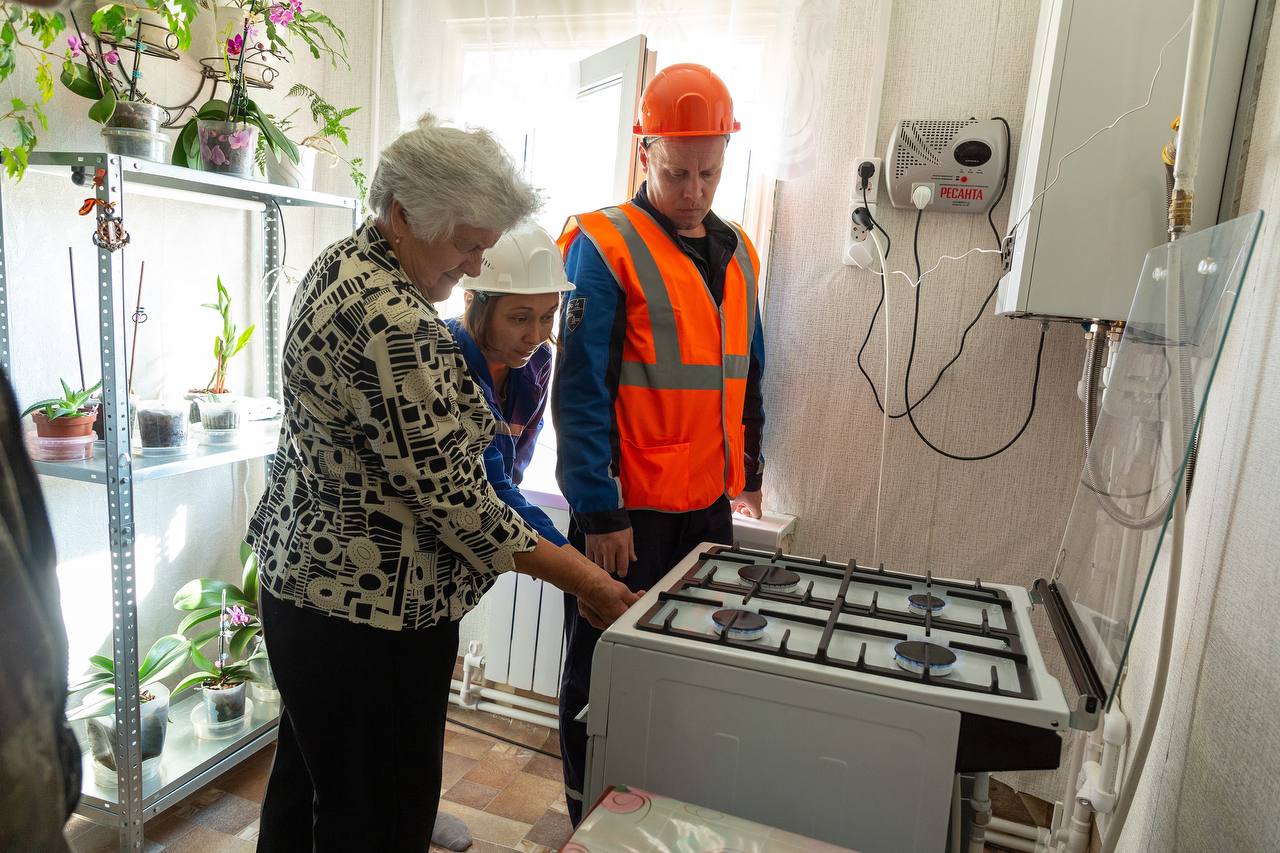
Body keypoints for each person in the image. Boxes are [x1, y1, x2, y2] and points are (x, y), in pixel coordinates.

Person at [246, 114, 640, 853]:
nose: (474, 261)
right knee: (379, 819)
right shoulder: (398, 325)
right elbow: (467, 508)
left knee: (307, 797)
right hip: (367, 619)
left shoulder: (341, 263)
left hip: (306, 591)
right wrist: (586, 580)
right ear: (402, 216)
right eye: (466, 243)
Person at [552, 63, 768, 823]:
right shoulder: (604, 243)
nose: (695, 191)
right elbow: (578, 390)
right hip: (627, 513)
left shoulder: (739, 250)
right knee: (606, 672)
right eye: (678, 172)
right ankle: (590, 815)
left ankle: (666, 809)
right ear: (645, 151)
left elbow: (749, 368)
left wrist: (753, 467)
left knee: (689, 669)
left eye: (709, 171)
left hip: (706, 508)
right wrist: (598, 510)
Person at [445, 223, 575, 548]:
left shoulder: (537, 360)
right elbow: (492, 487)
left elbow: (514, 471)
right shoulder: (442, 358)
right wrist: (581, 572)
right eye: (519, 318)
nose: (535, 336)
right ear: (471, 301)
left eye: (548, 316)